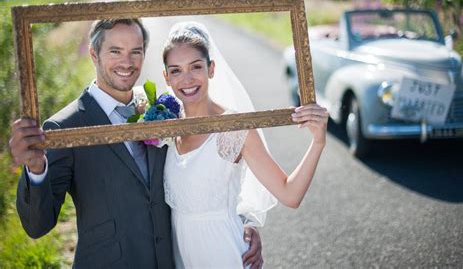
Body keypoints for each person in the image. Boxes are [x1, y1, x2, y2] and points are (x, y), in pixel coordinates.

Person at [8, 18, 264, 268]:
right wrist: (36, 170)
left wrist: (243, 223)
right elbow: (37, 225)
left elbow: (211, 171)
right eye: (115, 51)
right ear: (94, 55)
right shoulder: (65, 127)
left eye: (136, 52)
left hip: (175, 260)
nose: (127, 62)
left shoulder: (161, 107)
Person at [161, 22, 328, 268]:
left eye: (195, 67)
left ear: (211, 68)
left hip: (224, 252)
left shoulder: (235, 128)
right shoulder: (164, 127)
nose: (186, 79)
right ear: (166, 77)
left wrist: (318, 141)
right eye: (175, 71)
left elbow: (290, 194)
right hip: (181, 256)